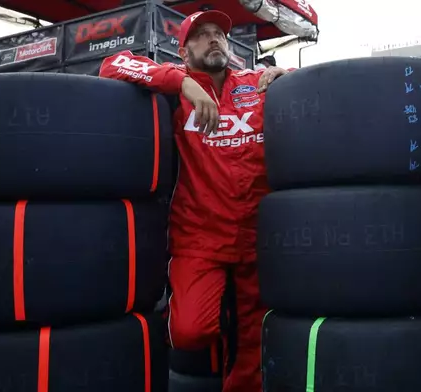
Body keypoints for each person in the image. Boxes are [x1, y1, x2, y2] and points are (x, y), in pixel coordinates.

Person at [98, 9, 292, 392]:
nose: (214, 38)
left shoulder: (257, 83)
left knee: (255, 343)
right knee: (189, 332)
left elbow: (313, 95)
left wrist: (287, 79)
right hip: (199, 239)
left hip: (258, 238)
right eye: (201, 35)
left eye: (219, 33)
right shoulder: (175, 87)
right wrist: (183, 84)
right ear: (183, 52)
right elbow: (112, 64)